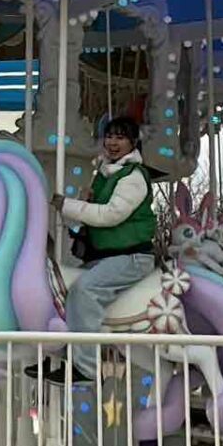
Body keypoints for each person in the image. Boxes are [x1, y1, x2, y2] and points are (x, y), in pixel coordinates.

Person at [54, 115, 159, 379]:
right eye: (109, 136)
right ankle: (62, 355)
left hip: (131, 256)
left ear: (133, 142)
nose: (112, 142)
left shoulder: (133, 176)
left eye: (120, 137)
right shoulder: (103, 173)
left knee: (84, 291)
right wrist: (84, 202)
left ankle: (87, 368)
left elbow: (111, 215)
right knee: (61, 288)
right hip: (105, 255)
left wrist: (68, 205)